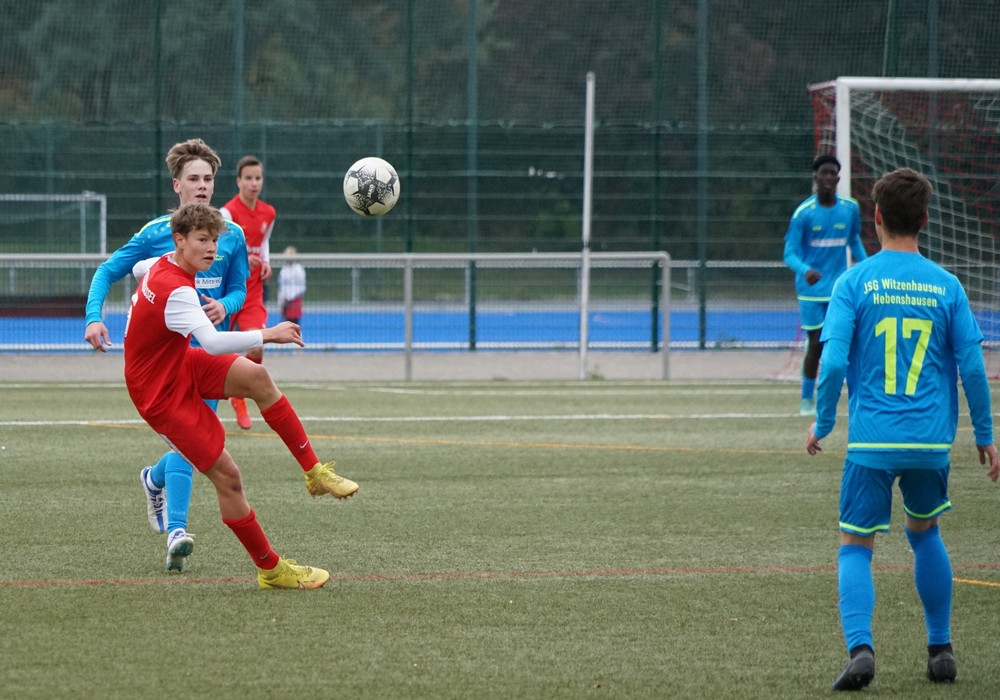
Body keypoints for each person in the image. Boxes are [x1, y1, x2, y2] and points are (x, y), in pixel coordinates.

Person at [805, 167, 999, 691]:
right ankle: (941, 650)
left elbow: (833, 362)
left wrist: (824, 422)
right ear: (926, 219)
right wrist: (985, 434)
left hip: (872, 440)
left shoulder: (854, 283)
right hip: (930, 441)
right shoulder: (947, 285)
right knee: (925, 532)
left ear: (876, 217)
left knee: (855, 543)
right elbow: (973, 368)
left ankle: (861, 650)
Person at [125, 202, 340, 589]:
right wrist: (269, 333)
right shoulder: (177, 290)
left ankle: (314, 473)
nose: (212, 249)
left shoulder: (161, 263)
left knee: (257, 376)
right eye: (202, 240)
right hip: (158, 393)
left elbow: (140, 269)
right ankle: (271, 570)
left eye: (214, 240)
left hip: (175, 362)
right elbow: (211, 341)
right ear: (179, 240)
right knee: (229, 477)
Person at [783, 154, 867, 416]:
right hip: (811, 291)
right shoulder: (803, 214)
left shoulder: (850, 208)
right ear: (816, 177)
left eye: (833, 173)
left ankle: (854, 394)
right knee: (816, 343)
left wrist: (867, 267)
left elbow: (854, 241)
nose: (829, 177)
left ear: (838, 178)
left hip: (839, 289)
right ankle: (807, 399)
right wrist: (805, 270)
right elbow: (789, 253)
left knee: (847, 342)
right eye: (824, 173)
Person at [219, 155, 275, 431]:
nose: (254, 183)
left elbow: (263, 245)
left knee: (256, 346)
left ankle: (239, 395)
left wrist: (266, 262)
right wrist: (242, 260)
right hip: (228, 290)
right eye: (249, 178)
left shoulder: (269, 213)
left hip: (252, 291)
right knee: (216, 353)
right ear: (238, 181)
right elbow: (219, 251)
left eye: (258, 178)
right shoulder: (227, 214)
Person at [277, 246, 306, 325]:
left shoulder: (299, 269)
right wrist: (282, 300)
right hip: (285, 300)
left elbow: (301, 286)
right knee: (286, 323)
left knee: (295, 323)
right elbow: (281, 286)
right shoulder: (283, 270)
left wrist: (290, 297)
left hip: (295, 299)